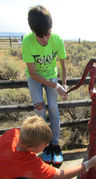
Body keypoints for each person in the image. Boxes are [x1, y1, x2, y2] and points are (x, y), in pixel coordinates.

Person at [0, 115, 96, 179]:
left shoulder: (12, 133)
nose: (47, 145)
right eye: (44, 145)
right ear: (29, 146)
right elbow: (62, 175)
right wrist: (89, 164)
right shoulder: (30, 163)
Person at [22, 5, 67, 166]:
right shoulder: (27, 41)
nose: (45, 39)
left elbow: (62, 64)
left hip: (51, 76)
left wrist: (64, 84)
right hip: (35, 78)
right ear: (33, 31)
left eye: (47, 34)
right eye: (40, 36)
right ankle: (43, 146)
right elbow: (33, 74)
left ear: (51, 28)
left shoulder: (57, 40)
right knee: (39, 109)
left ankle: (55, 145)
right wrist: (56, 87)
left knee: (54, 109)